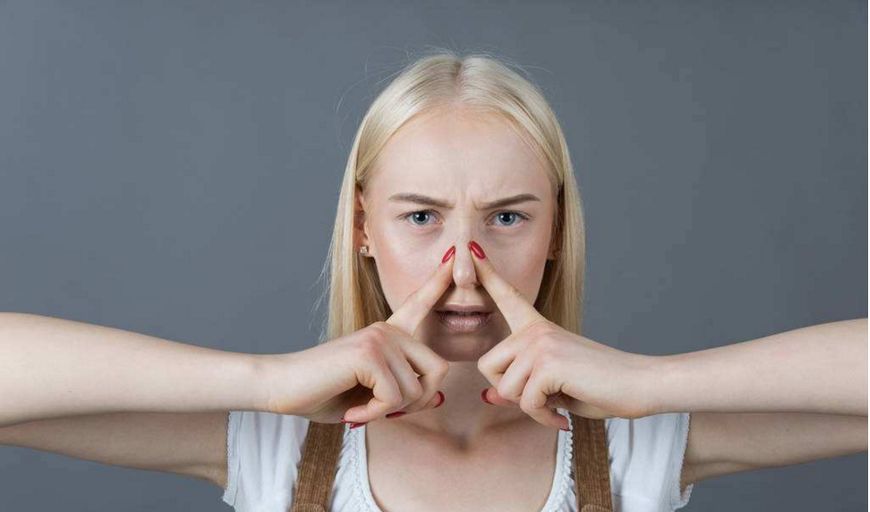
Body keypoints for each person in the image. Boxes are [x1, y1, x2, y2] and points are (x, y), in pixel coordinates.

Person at [0, 50, 866, 512]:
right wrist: (266, 381)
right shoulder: (274, 447)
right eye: (421, 217)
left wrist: (653, 383)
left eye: (508, 218)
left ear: (556, 233)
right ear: (362, 230)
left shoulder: (637, 449)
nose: (464, 264)